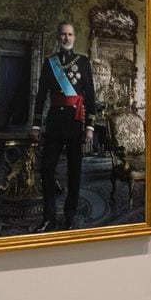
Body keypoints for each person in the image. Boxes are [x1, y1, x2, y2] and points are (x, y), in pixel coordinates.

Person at [31, 21, 97, 232]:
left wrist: (90, 126)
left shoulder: (84, 62)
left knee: (74, 171)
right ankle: (49, 216)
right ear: (57, 37)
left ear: (74, 37)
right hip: (54, 123)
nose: (66, 38)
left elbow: (91, 96)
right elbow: (41, 96)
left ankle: (70, 215)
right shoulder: (49, 62)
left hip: (76, 123)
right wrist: (35, 125)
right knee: (47, 169)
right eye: (63, 34)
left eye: (70, 34)